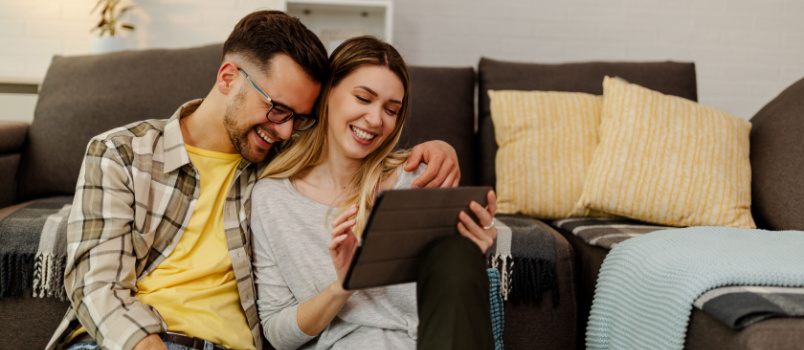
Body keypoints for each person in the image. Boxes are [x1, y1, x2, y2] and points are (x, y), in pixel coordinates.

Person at [47, 11, 461, 350]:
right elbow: (96, 285)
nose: (285, 130)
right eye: (277, 109)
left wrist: (441, 149)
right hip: (130, 342)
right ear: (228, 77)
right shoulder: (123, 152)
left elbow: (347, 153)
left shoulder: (277, 165)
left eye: (299, 118)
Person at [252, 36, 497, 350]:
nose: (376, 120)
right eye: (363, 98)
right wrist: (344, 285)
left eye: (391, 110)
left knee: (458, 254)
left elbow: (455, 294)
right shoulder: (272, 200)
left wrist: (475, 246)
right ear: (327, 93)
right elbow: (277, 333)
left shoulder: (418, 178)